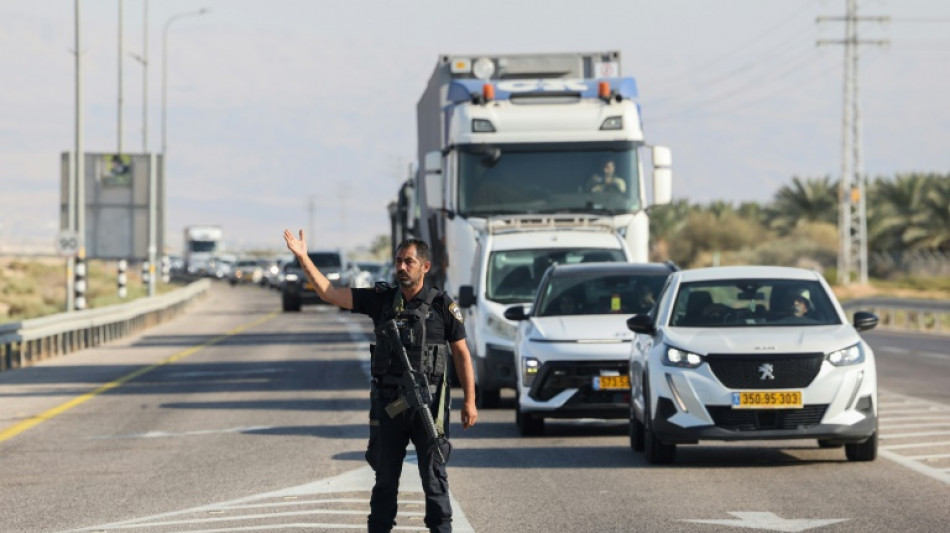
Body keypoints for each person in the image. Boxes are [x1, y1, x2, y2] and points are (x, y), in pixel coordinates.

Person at [282, 229, 477, 533]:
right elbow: (328, 293)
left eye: (409, 262)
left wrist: (470, 401)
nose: (401, 267)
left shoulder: (442, 306)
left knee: (434, 480)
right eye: (398, 261)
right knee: (385, 482)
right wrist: (303, 257)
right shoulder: (381, 300)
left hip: (429, 408)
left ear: (425, 266)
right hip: (391, 408)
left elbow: (462, 354)